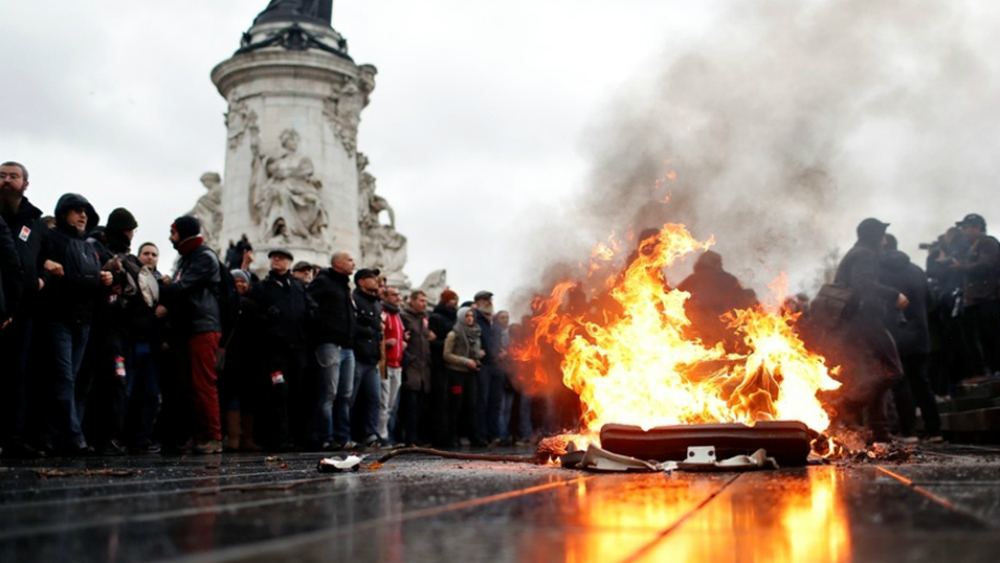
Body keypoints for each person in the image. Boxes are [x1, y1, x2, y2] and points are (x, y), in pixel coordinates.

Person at [35, 194, 113, 455]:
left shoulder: (89, 247)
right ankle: (72, 437)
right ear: (63, 213)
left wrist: (106, 278)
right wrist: (43, 264)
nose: (83, 216)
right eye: (76, 211)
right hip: (59, 318)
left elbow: (95, 285)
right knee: (64, 379)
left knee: (68, 381)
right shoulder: (50, 238)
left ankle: (48, 436)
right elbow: (31, 262)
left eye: (85, 211)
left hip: (84, 322)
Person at [832, 218, 908, 444]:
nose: (885, 242)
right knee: (891, 371)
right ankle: (844, 405)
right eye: (883, 236)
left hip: (857, 322)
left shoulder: (857, 253)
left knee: (878, 372)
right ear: (874, 236)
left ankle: (879, 431)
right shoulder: (864, 254)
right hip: (865, 321)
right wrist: (894, 295)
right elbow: (862, 285)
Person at [157, 216, 223, 454]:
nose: (170, 237)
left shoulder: (203, 257)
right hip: (188, 327)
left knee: (203, 383)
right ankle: (198, 435)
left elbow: (183, 287)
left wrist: (157, 289)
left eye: (173, 232)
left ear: (183, 233)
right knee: (189, 385)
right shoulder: (187, 259)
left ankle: (213, 436)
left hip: (203, 326)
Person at [0, 161, 46, 457]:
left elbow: (42, 257)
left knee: (18, 374)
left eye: (13, 176)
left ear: (25, 184)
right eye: (2, 176)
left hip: (24, 309)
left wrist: (42, 274)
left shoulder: (35, 224)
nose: (6, 181)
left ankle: (14, 437)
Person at [881, 235, 942, 442]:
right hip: (920, 335)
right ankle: (935, 431)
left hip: (894, 335)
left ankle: (909, 431)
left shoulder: (880, 272)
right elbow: (931, 301)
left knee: (901, 383)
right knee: (922, 383)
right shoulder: (916, 270)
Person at [251, 248, 314, 449]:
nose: (276, 260)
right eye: (273, 257)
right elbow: (253, 314)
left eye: (281, 258)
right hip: (274, 350)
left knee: (298, 392)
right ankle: (279, 437)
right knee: (279, 392)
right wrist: (267, 318)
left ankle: (297, 436)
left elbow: (310, 308)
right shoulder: (262, 287)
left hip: (298, 349)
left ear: (288, 262)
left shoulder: (297, 287)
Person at [307, 251, 356, 449]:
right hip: (329, 344)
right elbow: (309, 301)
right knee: (329, 393)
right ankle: (325, 437)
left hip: (347, 346)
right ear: (337, 263)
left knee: (345, 394)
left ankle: (342, 437)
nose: (354, 263)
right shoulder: (324, 281)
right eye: (350, 260)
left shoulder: (344, 285)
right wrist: (323, 326)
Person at [952, 213, 1000, 379]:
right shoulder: (974, 246)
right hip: (977, 300)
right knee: (983, 339)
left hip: (988, 297)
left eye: (966, 227)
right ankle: (991, 371)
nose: (964, 231)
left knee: (992, 336)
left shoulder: (988, 244)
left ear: (978, 227)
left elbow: (985, 265)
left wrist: (962, 267)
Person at [351, 268, 383, 446]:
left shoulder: (376, 303)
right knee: (351, 398)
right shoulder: (354, 300)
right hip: (358, 356)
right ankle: (348, 434)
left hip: (372, 359)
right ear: (361, 282)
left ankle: (370, 434)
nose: (375, 280)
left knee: (374, 399)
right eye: (371, 277)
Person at [442, 307, 482, 448]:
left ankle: (474, 437)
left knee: (471, 405)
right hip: (456, 374)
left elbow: (474, 353)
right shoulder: (454, 334)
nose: (470, 318)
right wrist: (466, 361)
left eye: (472, 315)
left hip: (470, 374)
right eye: (467, 316)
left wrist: (477, 359)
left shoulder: (476, 333)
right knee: (455, 406)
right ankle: (451, 438)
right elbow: (447, 355)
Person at [400, 290, 433, 446]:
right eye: (421, 300)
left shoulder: (423, 320)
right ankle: (409, 439)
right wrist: (409, 359)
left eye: (425, 301)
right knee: (410, 407)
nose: (424, 304)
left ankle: (418, 439)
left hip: (423, 370)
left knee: (421, 407)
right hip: (411, 368)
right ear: (411, 301)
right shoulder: (404, 317)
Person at [472, 290, 503, 445]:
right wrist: (476, 353)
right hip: (483, 365)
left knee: (495, 401)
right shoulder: (475, 318)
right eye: (484, 299)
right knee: (482, 402)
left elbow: (498, 340)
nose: (488, 301)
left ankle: (494, 435)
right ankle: (481, 436)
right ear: (477, 302)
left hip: (496, 365)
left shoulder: (495, 321)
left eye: (489, 299)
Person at [428, 289, 458, 447]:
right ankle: (438, 437)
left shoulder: (455, 319)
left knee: (453, 402)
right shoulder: (436, 317)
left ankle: (450, 436)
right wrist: (448, 345)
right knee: (440, 402)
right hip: (440, 365)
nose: (455, 302)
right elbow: (432, 342)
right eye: (452, 299)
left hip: (453, 367)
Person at [378, 285, 405, 445]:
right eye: (394, 295)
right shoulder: (384, 313)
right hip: (385, 363)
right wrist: (386, 342)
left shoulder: (397, 316)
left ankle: (387, 433)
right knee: (384, 402)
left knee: (392, 403)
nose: (398, 297)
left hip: (397, 364)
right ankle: (381, 435)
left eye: (398, 294)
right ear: (386, 297)